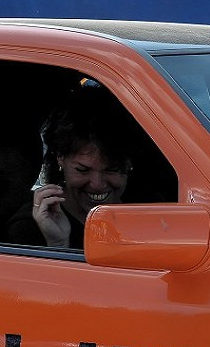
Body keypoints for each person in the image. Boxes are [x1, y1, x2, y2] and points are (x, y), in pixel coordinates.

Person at [7, 93, 134, 249]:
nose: (97, 185)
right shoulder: (31, 227)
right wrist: (57, 244)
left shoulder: (149, 210)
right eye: (82, 170)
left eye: (112, 170)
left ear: (128, 163)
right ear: (60, 158)